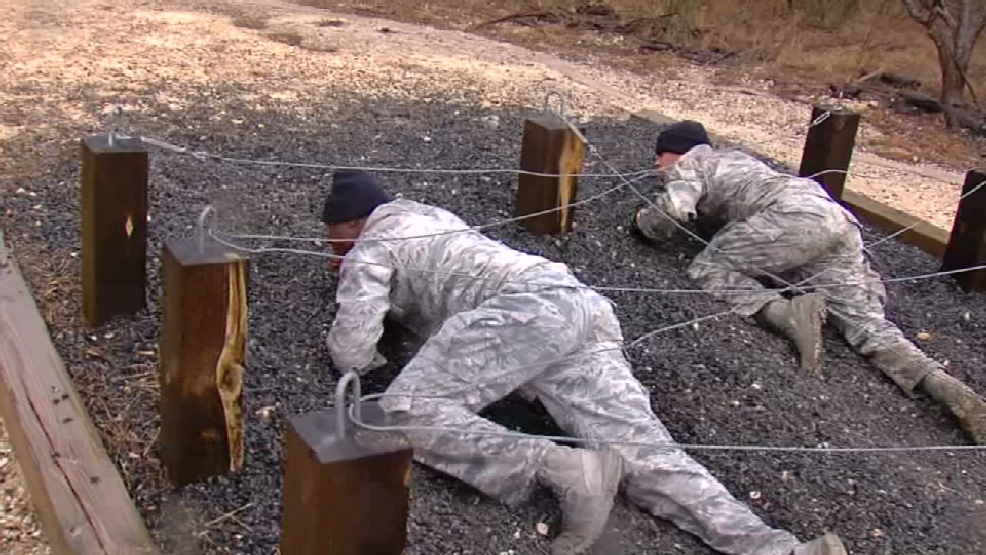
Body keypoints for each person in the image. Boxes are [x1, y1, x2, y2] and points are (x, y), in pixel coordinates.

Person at [320, 168, 847, 555]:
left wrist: (360, 323)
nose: (329, 247)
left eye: (332, 236)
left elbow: (351, 348)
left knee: (403, 410)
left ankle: (566, 470)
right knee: (645, 454)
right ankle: (779, 549)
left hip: (521, 312)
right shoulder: (431, 218)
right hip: (577, 305)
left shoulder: (374, 243)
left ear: (350, 223)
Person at [631, 120, 986, 445]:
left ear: (673, 151)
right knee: (868, 326)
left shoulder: (690, 164)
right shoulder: (741, 161)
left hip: (791, 219)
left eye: (658, 158)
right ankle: (945, 388)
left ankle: (785, 314)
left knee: (709, 268)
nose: (656, 167)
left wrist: (643, 224)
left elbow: (675, 209)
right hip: (835, 220)